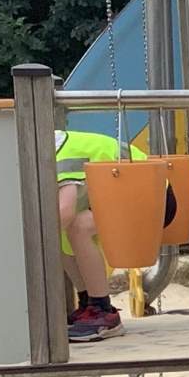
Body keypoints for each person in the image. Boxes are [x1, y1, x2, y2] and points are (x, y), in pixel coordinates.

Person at [53, 128, 173, 343]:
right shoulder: (51, 147)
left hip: (153, 195)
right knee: (62, 236)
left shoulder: (61, 155)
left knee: (77, 227)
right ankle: (88, 303)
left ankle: (103, 311)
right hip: (125, 192)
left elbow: (65, 211)